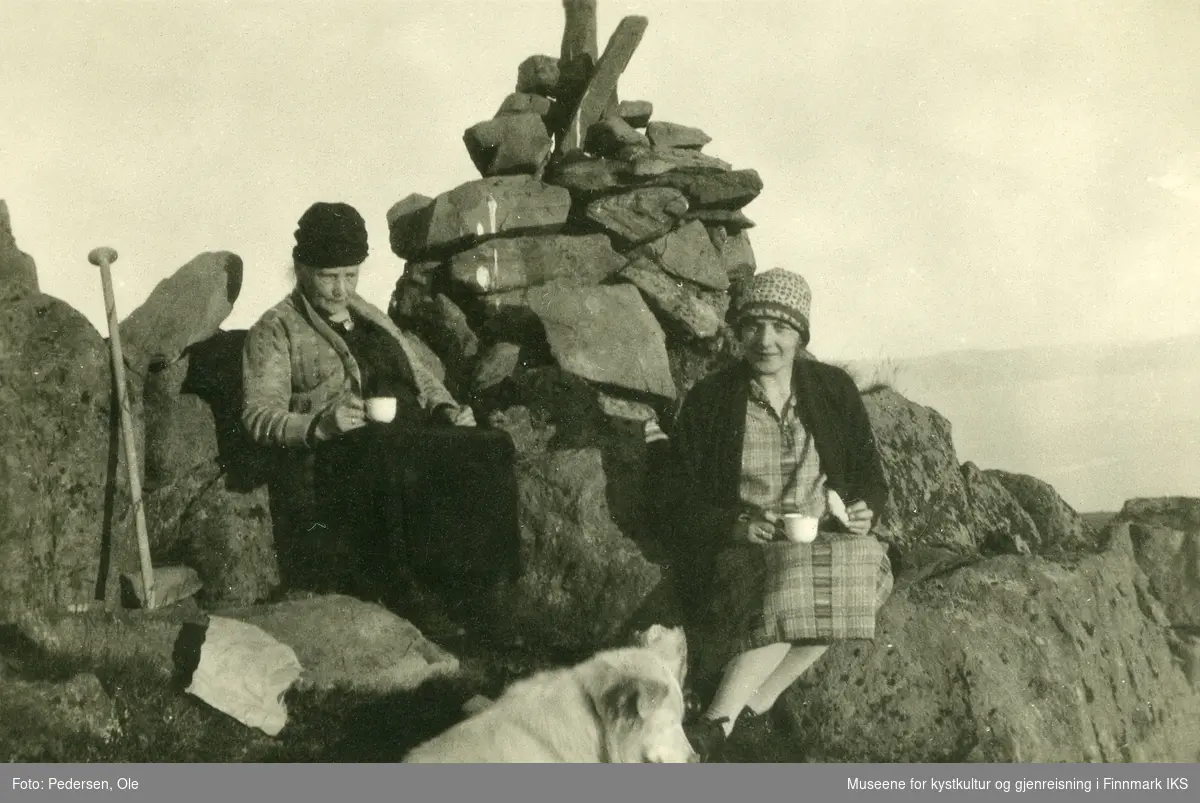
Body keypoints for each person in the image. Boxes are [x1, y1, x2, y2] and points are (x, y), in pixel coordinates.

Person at [663, 267, 893, 762]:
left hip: (825, 539)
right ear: (739, 330)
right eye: (754, 326)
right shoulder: (711, 401)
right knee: (797, 578)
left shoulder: (833, 390)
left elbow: (871, 477)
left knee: (866, 567)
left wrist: (863, 511)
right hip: (748, 549)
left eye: (781, 328)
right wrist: (734, 524)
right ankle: (719, 721)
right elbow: (676, 496)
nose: (766, 341)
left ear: (800, 336)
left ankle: (754, 700)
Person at [241, 201, 477, 610]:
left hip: (410, 434)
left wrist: (448, 410)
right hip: (341, 456)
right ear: (300, 270)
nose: (341, 290)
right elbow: (258, 414)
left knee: (489, 445)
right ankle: (412, 601)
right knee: (387, 458)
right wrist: (318, 425)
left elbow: (420, 376)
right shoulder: (275, 329)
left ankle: (486, 592)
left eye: (350, 275)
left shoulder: (368, 313)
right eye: (328, 277)